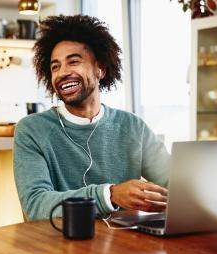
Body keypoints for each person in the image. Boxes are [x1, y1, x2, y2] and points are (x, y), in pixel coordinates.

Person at [14, 15, 170, 221]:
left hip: (125, 245)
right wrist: (110, 195)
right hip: (58, 246)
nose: (62, 73)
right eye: (55, 66)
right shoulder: (32, 130)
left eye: (74, 62)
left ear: (100, 69)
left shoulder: (132, 126)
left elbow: (172, 184)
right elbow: (35, 204)